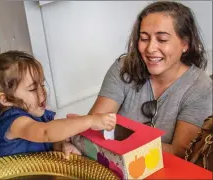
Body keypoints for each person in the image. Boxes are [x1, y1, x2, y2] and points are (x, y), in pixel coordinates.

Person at [87, 1, 212, 158]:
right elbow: (92, 126)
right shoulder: (123, 68)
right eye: (144, 38)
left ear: (185, 43)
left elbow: (180, 153)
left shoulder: (201, 87)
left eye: (162, 39)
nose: (150, 48)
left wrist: (120, 140)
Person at [0, 50, 116, 159]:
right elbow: (46, 132)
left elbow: (48, 139)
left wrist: (60, 145)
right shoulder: (16, 123)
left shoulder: (36, 115)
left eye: (42, 84)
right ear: (5, 99)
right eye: (32, 89)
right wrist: (89, 121)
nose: (42, 92)